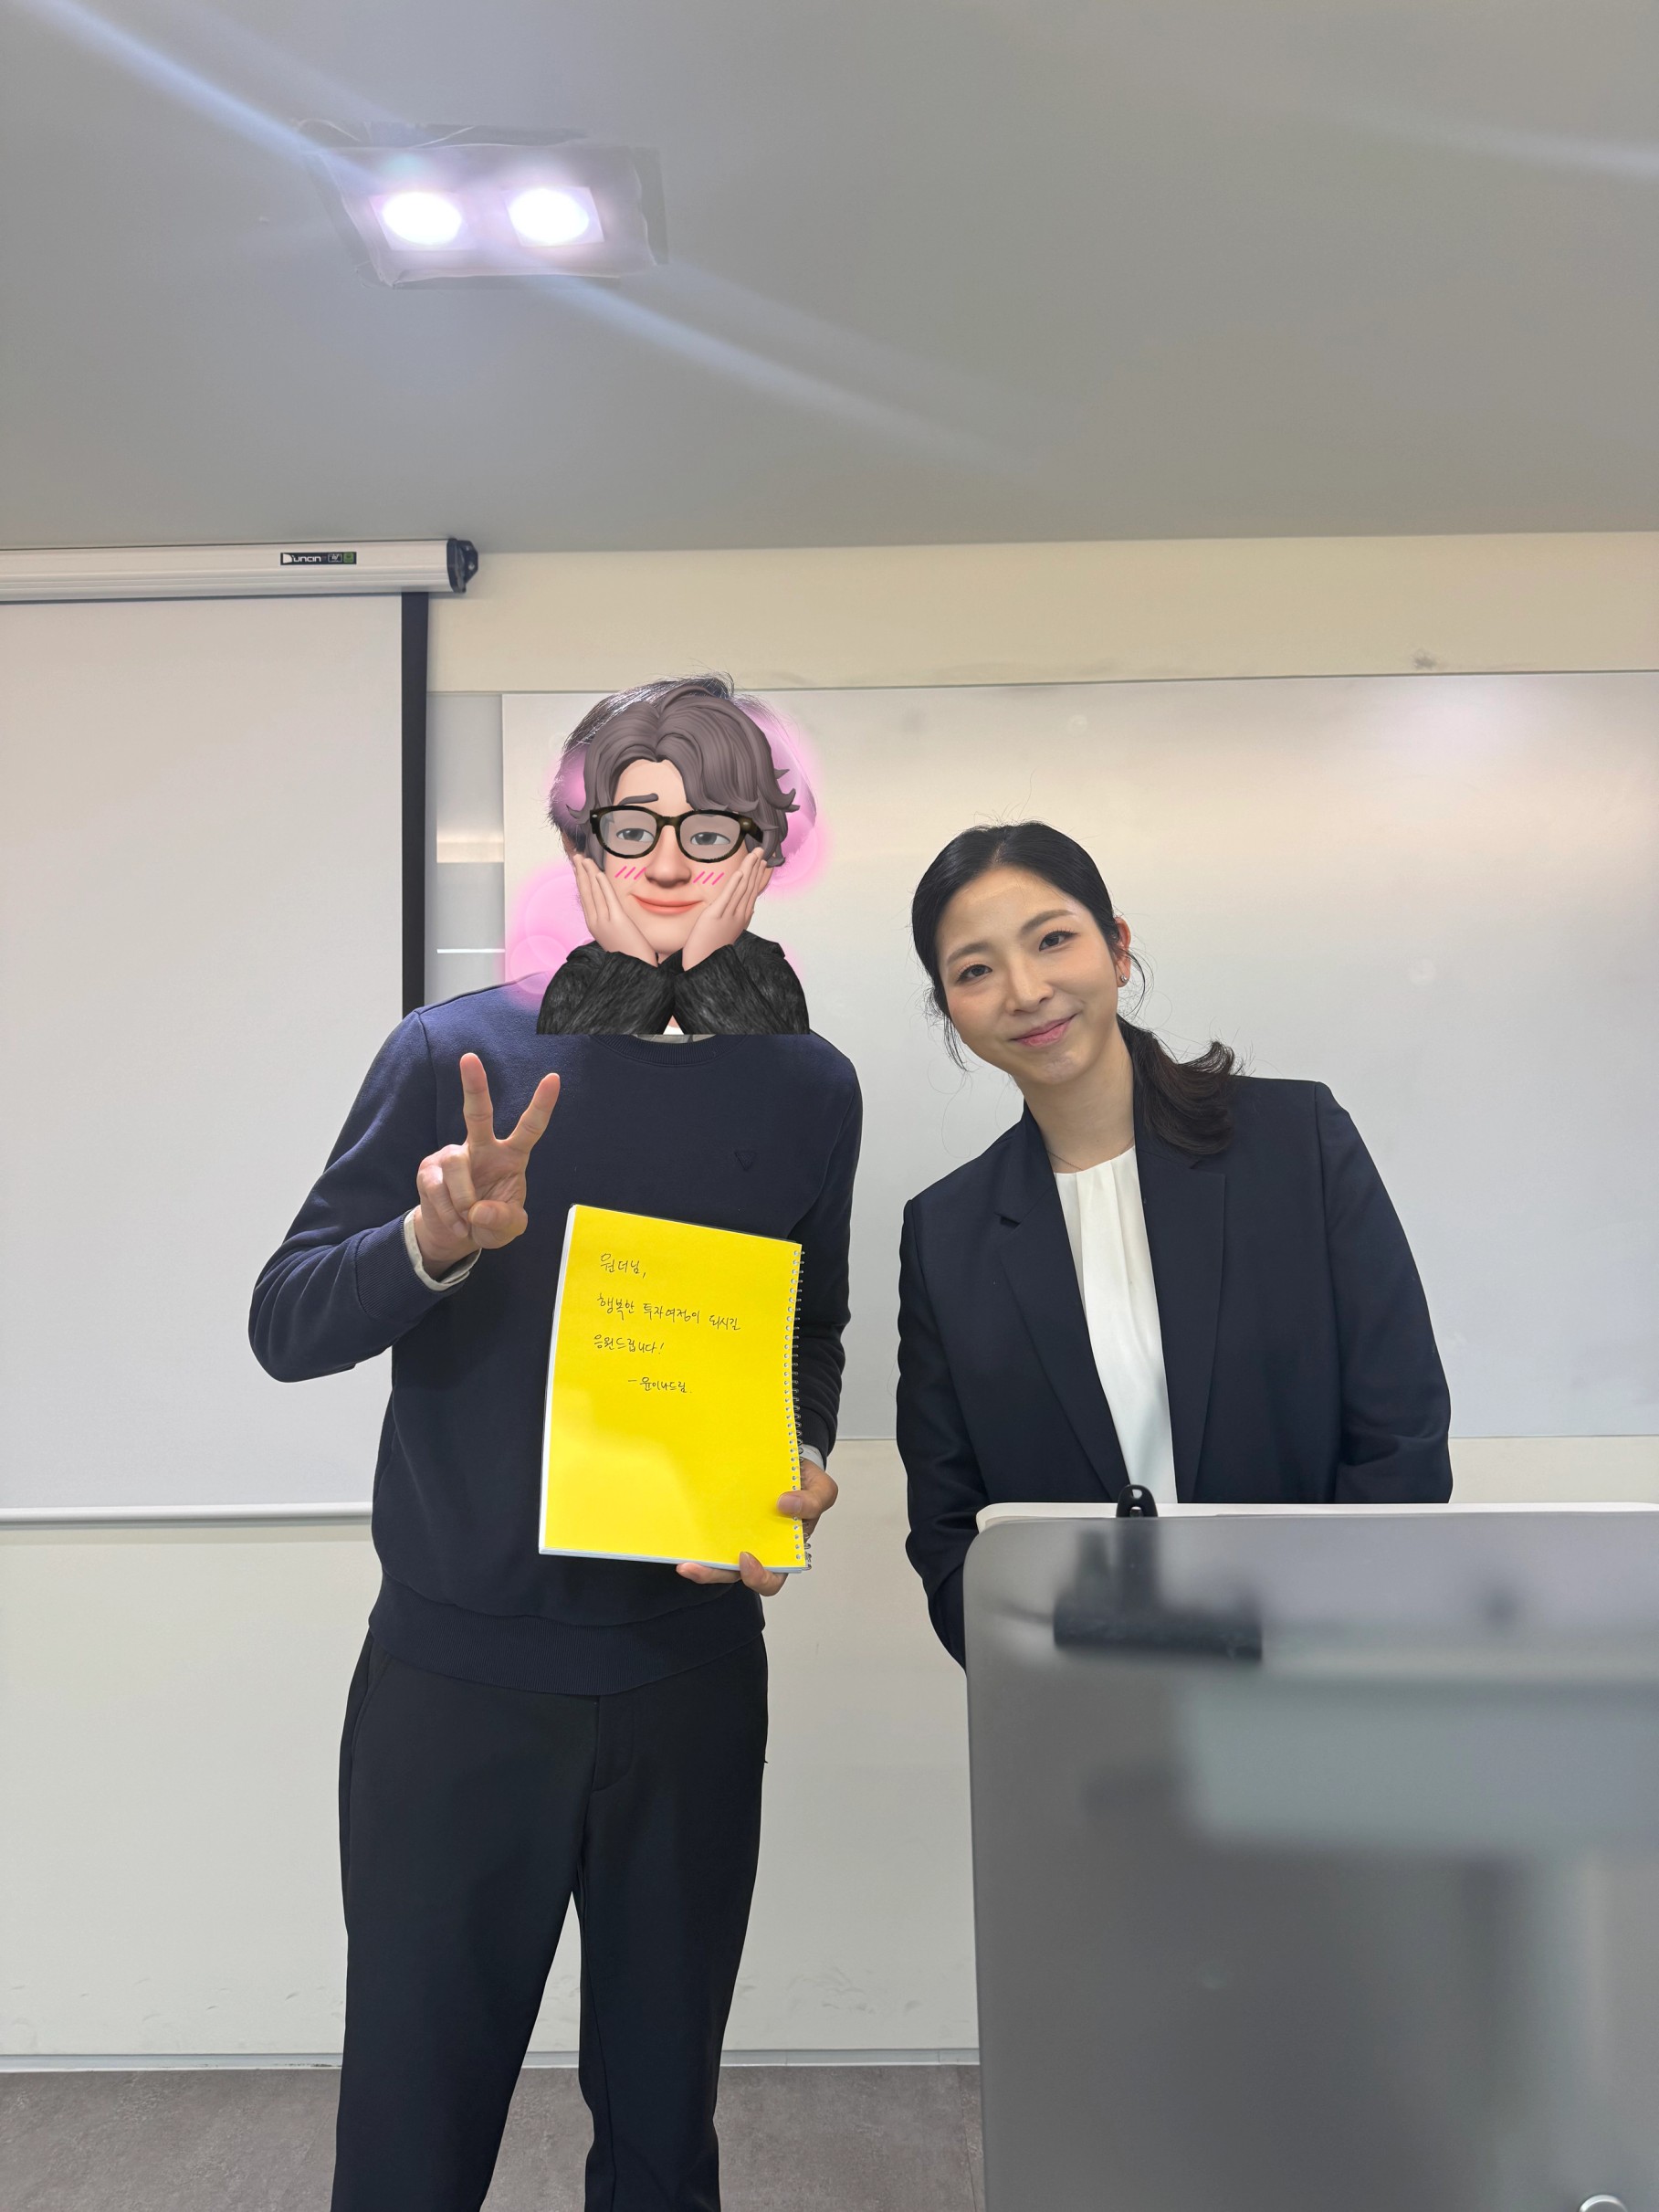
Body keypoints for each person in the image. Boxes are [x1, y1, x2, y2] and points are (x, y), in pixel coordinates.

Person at [250, 677, 861, 2212]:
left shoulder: (810, 1084)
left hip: (690, 1678)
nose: (666, 859)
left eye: (707, 825)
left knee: (663, 2122)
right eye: (629, 824)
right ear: (578, 843)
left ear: (765, 845)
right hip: (457, 1683)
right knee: (415, 2118)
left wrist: (793, 1461)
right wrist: (432, 1241)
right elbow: (286, 1319)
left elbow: (808, 1326)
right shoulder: (453, 1056)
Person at [897, 820, 1450, 1664]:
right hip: (1084, 1702)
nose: (1025, 990)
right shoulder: (945, 1233)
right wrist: (1049, 1671)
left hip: (1323, 1675)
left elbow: (1399, 1434)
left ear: (1117, 948)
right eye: (975, 970)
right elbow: (948, 1526)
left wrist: (1320, 1645)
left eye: (1052, 940)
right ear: (949, 1009)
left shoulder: (1295, 1142)